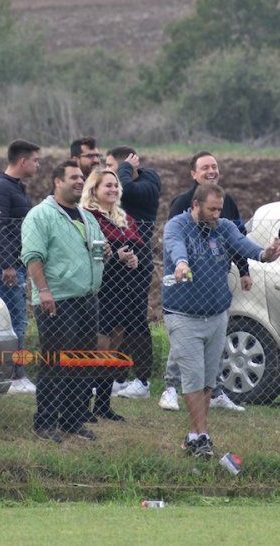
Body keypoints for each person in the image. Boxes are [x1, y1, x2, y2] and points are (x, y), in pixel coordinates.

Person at [163, 183, 280, 458]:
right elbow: (174, 246)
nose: (217, 214)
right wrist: (181, 263)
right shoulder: (178, 226)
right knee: (192, 376)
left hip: (216, 315)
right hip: (183, 315)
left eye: (219, 209)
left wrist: (266, 254)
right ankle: (202, 435)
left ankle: (194, 436)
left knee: (207, 379)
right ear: (195, 205)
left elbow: (245, 247)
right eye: (211, 209)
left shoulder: (225, 227)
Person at [21, 161, 106, 443]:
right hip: (57, 300)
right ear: (57, 181)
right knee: (56, 363)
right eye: (74, 177)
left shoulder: (87, 216)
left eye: (81, 177)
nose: (80, 181)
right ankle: (45, 423)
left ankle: (72, 420)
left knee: (81, 363)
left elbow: (98, 248)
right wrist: (44, 291)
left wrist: (111, 253)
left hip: (87, 298)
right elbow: (33, 256)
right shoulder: (40, 215)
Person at [160, 151, 248, 413]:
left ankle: (216, 391)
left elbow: (237, 238)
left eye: (214, 166)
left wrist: (244, 270)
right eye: (205, 167)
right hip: (185, 282)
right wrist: (181, 263)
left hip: (215, 283)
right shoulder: (182, 203)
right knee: (185, 342)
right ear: (193, 174)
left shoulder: (226, 201)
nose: (211, 170)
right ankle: (171, 388)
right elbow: (173, 239)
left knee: (212, 344)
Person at [80, 169, 142, 421]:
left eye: (116, 186)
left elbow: (137, 245)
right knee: (98, 348)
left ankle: (103, 406)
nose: (114, 190)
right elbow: (87, 255)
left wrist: (134, 258)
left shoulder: (123, 217)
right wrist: (116, 258)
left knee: (114, 349)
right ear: (94, 189)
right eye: (107, 186)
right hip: (101, 289)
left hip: (124, 290)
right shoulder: (87, 217)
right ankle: (82, 405)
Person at [0, 139, 41, 395]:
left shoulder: (15, 187)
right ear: (22, 161)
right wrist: (7, 264)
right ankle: (16, 375)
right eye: (35, 160)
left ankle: (13, 371)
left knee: (17, 316)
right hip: (3, 265)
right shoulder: (0, 188)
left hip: (15, 263)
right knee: (15, 317)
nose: (38, 165)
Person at [104, 146, 160, 400]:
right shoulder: (116, 187)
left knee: (136, 319)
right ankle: (117, 377)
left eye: (111, 167)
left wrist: (125, 168)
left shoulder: (148, 183)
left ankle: (143, 380)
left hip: (138, 264)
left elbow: (128, 189)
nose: (108, 174)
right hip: (115, 262)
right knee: (116, 319)